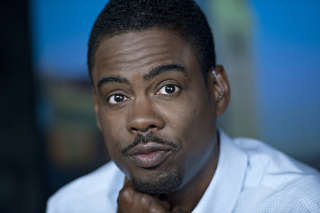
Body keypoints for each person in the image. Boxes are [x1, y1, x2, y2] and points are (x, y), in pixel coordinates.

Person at [46, 0, 320, 212]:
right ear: (97, 110)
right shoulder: (73, 205)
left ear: (218, 90)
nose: (140, 120)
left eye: (168, 88)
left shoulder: (298, 203)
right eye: (117, 97)